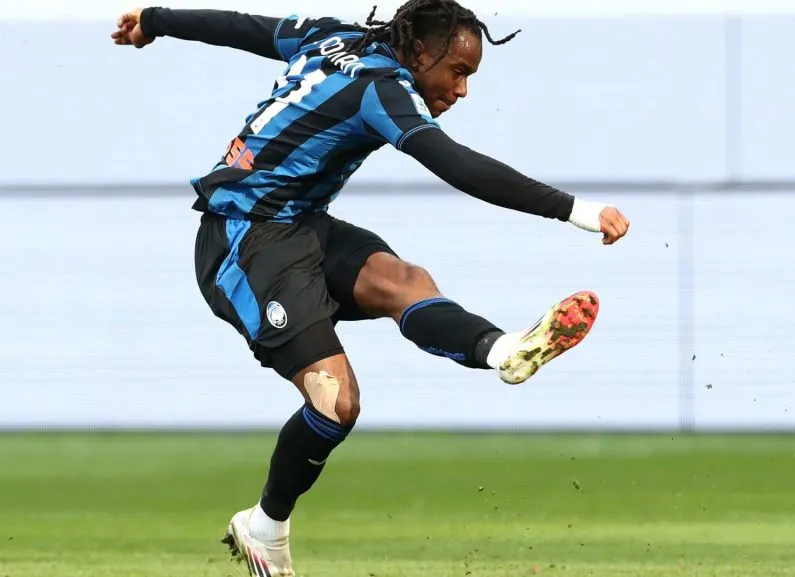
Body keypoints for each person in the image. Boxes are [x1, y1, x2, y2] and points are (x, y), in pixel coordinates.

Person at [111, 2, 630, 576]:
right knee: (337, 403)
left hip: (303, 224)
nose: (461, 91)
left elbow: (242, 29)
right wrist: (577, 210)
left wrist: (155, 20)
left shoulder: (332, 37)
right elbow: (455, 164)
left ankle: (504, 351)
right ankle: (266, 529)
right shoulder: (383, 88)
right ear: (419, 51)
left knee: (405, 282)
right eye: (457, 72)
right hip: (243, 238)